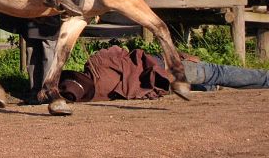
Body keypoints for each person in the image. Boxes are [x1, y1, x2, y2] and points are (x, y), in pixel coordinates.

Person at [58, 45, 269, 103]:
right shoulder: (97, 61)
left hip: (161, 83)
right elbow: (121, 51)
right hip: (164, 66)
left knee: (211, 80)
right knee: (217, 71)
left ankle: (209, 88)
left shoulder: (99, 96)